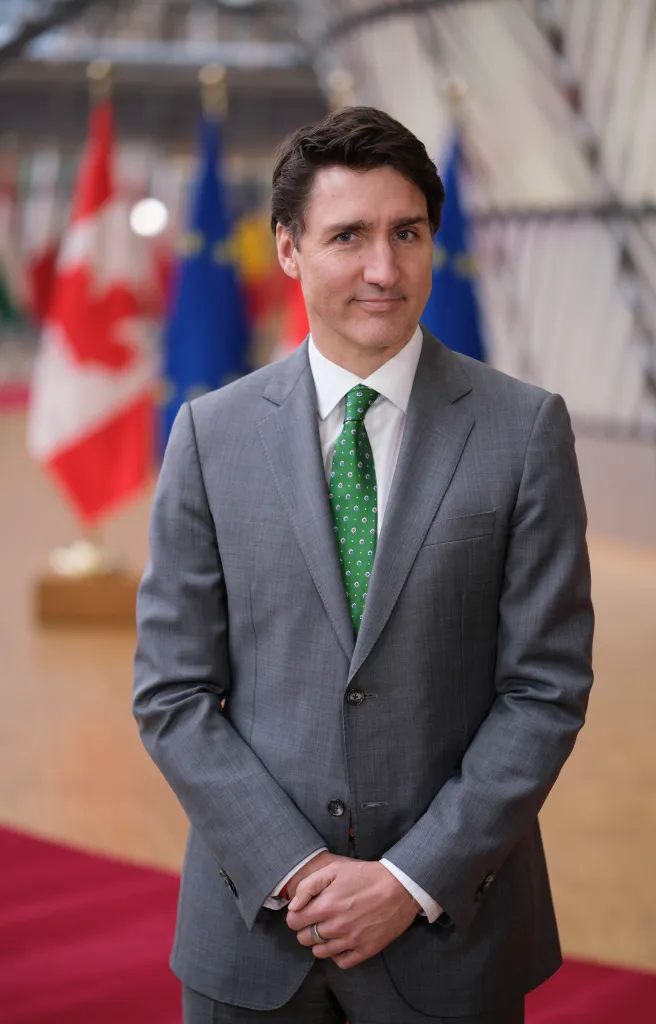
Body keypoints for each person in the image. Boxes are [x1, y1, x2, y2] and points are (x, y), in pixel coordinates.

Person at [133, 106, 594, 1024]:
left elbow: (543, 690)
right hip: (255, 940)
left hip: (451, 940)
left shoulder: (524, 430)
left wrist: (407, 880)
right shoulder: (211, 436)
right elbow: (172, 693)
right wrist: (297, 869)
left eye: (407, 233)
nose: (384, 269)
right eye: (349, 236)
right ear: (289, 249)